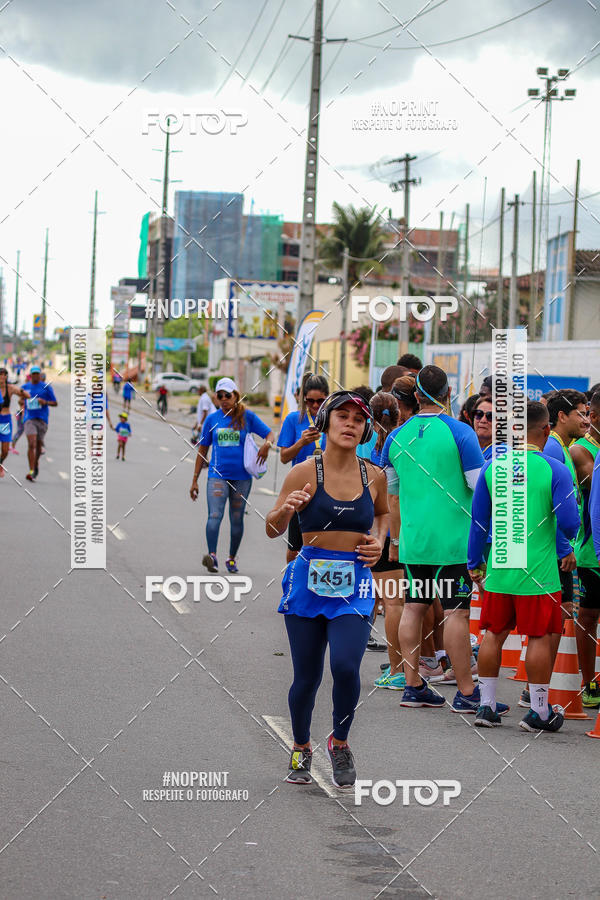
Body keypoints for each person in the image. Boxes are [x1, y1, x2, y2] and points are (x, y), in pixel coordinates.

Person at [266, 391, 389, 788]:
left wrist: (379, 542)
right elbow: (271, 527)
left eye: (359, 418)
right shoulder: (303, 472)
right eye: (343, 416)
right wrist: (287, 510)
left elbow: (384, 514)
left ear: (366, 428)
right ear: (326, 422)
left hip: (354, 584)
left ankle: (340, 743)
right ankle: (301, 746)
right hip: (308, 581)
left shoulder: (374, 476)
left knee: (346, 666)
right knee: (307, 677)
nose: (351, 423)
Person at [469, 401, 580, 732]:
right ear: (546, 430)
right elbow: (570, 521)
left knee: (493, 634)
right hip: (540, 572)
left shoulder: (493, 468)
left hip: (501, 568)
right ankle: (540, 713)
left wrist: (475, 564)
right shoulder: (555, 469)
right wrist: (566, 545)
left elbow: (478, 524)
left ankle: (486, 707)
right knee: (541, 637)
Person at [382, 365, 486, 713]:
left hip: (415, 541)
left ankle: (413, 685)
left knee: (414, 607)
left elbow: (392, 495)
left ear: (415, 396)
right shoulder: (462, 433)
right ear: (449, 392)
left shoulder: (396, 437)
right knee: (456, 614)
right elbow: (479, 486)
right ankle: (468, 692)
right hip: (454, 542)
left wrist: (396, 541)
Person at [190, 377, 274, 574]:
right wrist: (194, 480)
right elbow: (202, 450)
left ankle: (232, 559)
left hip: (242, 478)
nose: (224, 399)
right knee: (214, 515)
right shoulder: (212, 419)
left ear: (236, 395)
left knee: (236, 518)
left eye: (228, 395)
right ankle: (212, 557)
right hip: (217, 476)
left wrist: (266, 446)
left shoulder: (248, 417)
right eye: (220, 396)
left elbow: (270, 434)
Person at [368, 391, 406, 689]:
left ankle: (397, 668)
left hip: (377, 528)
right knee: (407, 603)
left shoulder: (363, 443)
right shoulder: (405, 440)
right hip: (408, 528)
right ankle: (411, 665)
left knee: (390, 602)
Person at [278, 373, 329, 563]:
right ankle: (292, 586)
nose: (315, 406)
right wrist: (301, 442)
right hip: (300, 491)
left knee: (322, 545)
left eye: (320, 401)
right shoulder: (293, 420)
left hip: (327, 490)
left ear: (327, 398)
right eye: (310, 401)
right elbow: (284, 457)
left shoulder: (332, 419)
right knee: (295, 549)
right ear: (304, 399)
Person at [569, 390, 600, 707]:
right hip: (592, 549)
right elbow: (594, 482)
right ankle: (589, 682)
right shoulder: (581, 450)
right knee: (588, 616)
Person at [21, 366, 57, 482]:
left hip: (42, 419)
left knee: (38, 445)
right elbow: (20, 400)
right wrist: (21, 401)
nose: (36, 376)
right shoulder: (25, 387)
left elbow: (55, 402)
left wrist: (45, 402)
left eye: (37, 374)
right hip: (29, 418)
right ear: (30, 375)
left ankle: (35, 465)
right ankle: (31, 470)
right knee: (31, 444)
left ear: (40, 375)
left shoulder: (46, 387)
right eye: (34, 374)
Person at [0, 368, 29, 477]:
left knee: (5, 450)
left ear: (6, 377)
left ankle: (1, 462)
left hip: (5, 420)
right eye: (0, 375)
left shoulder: (10, 388)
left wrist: (22, 394)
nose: (2, 377)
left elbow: (26, 395)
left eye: (4, 375)